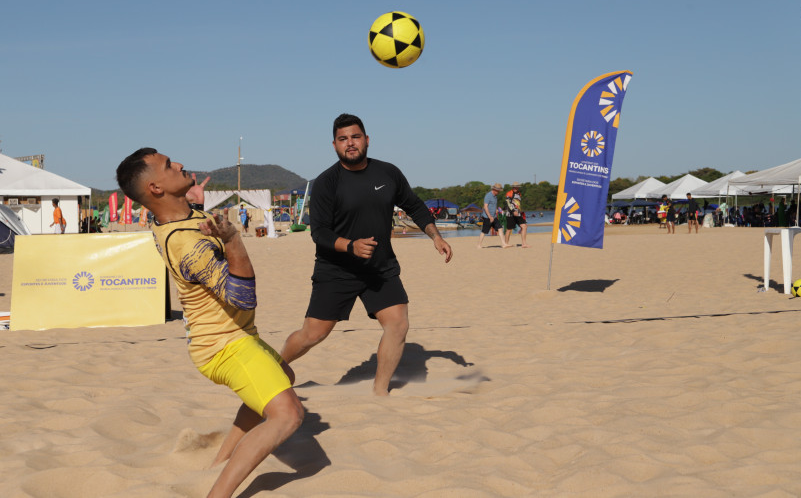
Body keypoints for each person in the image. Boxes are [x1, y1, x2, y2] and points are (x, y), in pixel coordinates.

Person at [115, 148, 303, 498]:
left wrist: (190, 200)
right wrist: (233, 240)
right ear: (156, 188)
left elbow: (173, 217)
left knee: (283, 378)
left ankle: (221, 458)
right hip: (224, 345)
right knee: (288, 415)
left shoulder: (176, 220)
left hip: (231, 336)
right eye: (169, 166)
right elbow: (242, 297)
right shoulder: (187, 244)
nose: (180, 164)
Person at [279, 113, 453, 396]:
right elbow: (319, 233)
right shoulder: (326, 182)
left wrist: (436, 236)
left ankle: (380, 391)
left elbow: (415, 205)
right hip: (337, 269)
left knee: (398, 324)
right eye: (343, 139)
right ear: (334, 145)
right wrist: (350, 245)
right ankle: (279, 363)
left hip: (379, 267)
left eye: (355, 137)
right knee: (314, 334)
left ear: (367, 140)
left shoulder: (388, 173)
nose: (350, 143)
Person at [476, 183, 513, 249]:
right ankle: (479, 245)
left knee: (500, 228)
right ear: (494, 189)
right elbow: (485, 207)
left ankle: (504, 244)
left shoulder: (495, 196)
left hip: (494, 217)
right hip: (487, 217)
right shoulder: (488, 196)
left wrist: (496, 210)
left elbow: (493, 205)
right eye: (498, 191)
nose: (498, 192)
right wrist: (490, 216)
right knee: (484, 231)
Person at [503, 183, 529, 247]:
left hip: (518, 214)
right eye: (514, 187)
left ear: (518, 187)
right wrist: (513, 210)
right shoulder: (509, 193)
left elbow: (518, 203)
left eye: (517, 187)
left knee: (524, 226)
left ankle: (524, 243)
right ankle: (506, 244)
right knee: (509, 229)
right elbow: (508, 203)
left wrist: (520, 211)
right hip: (510, 214)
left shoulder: (519, 193)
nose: (515, 188)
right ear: (512, 187)